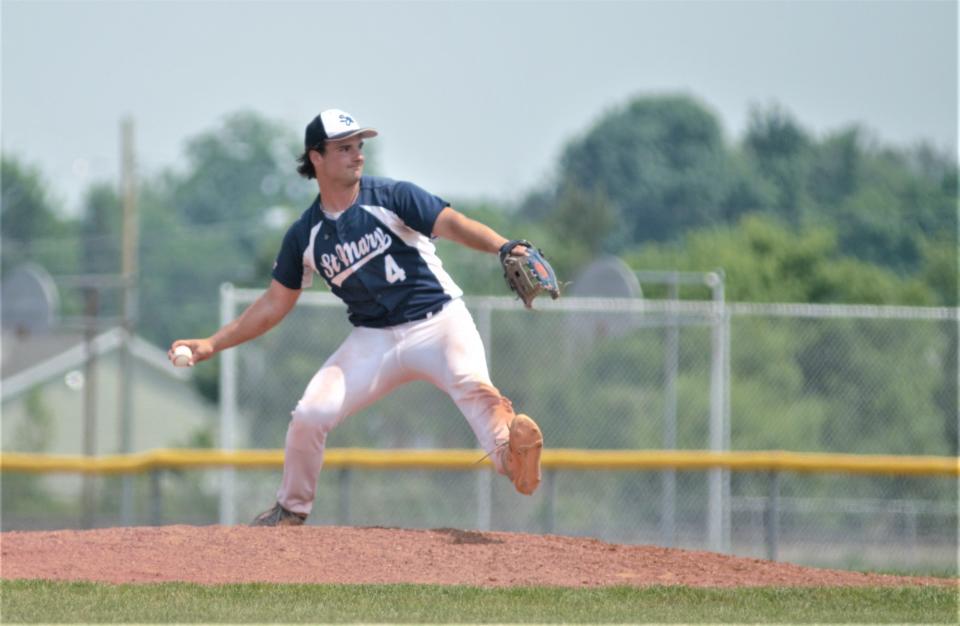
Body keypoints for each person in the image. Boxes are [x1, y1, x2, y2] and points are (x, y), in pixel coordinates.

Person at [169, 108, 543, 526]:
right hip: (374, 339)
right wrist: (211, 343)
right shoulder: (305, 235)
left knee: (475, 390)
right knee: (310, 415)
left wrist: (502, 246)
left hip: (439, 323)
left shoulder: (392, 197)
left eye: (359, 146)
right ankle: (291, 509)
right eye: (344, 148)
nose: (357, 155)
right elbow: (274, 303)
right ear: (316, 157)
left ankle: (513, 458)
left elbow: (452, 224)